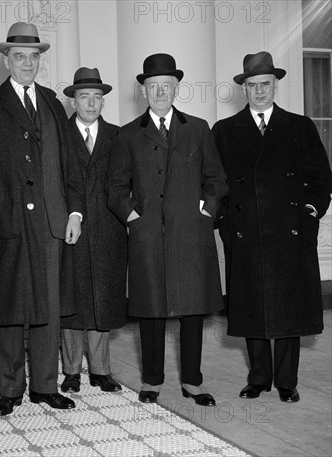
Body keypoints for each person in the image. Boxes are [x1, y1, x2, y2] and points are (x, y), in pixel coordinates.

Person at [0, 22, 85, 416]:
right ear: (6, 60)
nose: (28, 63)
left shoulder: (53, 102)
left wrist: (74, 212)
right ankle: (11, 389)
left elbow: (69, 166)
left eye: (34, 57)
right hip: (8, 224)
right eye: (19, 56)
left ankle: (46, 387)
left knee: (49, 309)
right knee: (13, 309)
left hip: (52, 223)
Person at [106, 53, 228, 406]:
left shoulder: (199, 129)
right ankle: (152, 380)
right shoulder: (128, 135)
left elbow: (217, 179)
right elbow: (115, 187)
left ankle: (192, 381)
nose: (160, 92)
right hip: (148, 236)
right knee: (151, 310)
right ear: (143, 91)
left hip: (191, 233)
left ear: (177, 89)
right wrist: (134, 219)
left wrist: (205, 210)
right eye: (153, 86)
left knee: (192, 310)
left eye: (166, 86)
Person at [213, 51, 332, 403]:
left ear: (275, 85)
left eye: (265, 84)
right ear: (244, 88)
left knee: (288, 309)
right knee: (252, 307)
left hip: (289, 232)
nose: (260, 91)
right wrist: (225, 222)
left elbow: (320, 177)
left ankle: (286, 381)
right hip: (246, 231)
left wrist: (309, 213)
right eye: (253, 85)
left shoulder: (299, 126)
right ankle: (258, 377)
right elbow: (216, 182)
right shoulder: (225, 130)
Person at [59, 67, 127, 394]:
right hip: (70, 229)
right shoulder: (58, 134)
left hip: (108, 229)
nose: (91, 103)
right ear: (73, 100)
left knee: (103, 298)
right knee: (72, 300)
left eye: (97, 97)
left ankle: (101, 370)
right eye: (84, 96)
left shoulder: (118, 136)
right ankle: (71, 371)